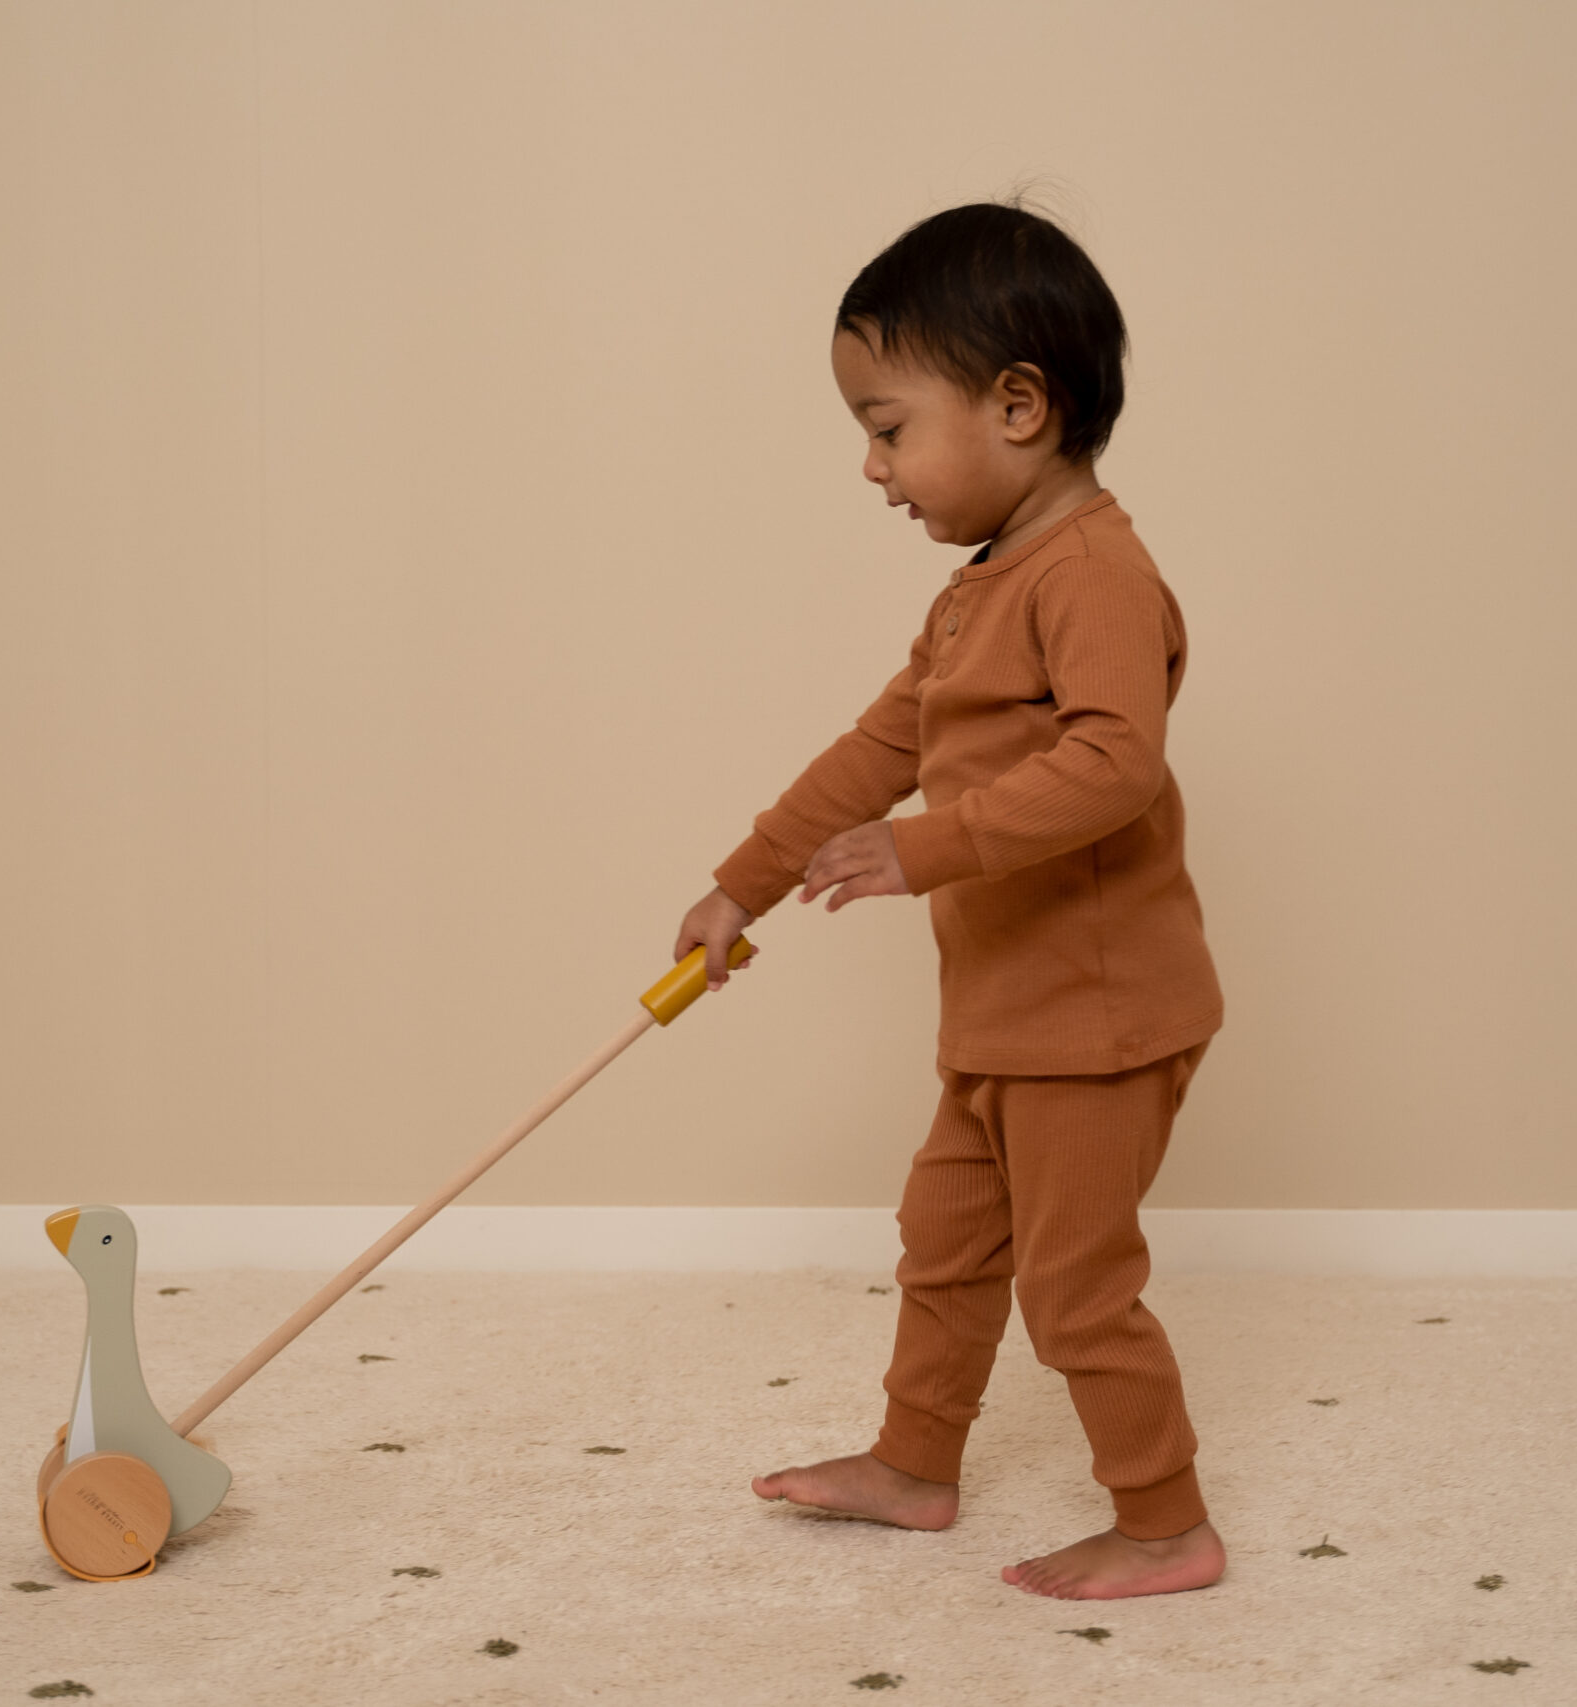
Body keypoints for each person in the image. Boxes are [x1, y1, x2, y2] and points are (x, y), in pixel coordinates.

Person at [673, 199, 1227, 1601]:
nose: (872, 468)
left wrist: (924, 850)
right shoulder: (980, 591)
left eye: (887, 427)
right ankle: (915, 1464)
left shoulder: (1094, 575)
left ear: (1019, 407)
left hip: (1097, 1019)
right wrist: (743, 883)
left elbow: (1114, 765)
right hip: (1003, 1015)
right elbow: (882, 747)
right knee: (946, 1247)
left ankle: (1166, 1525)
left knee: (1076, 1290)